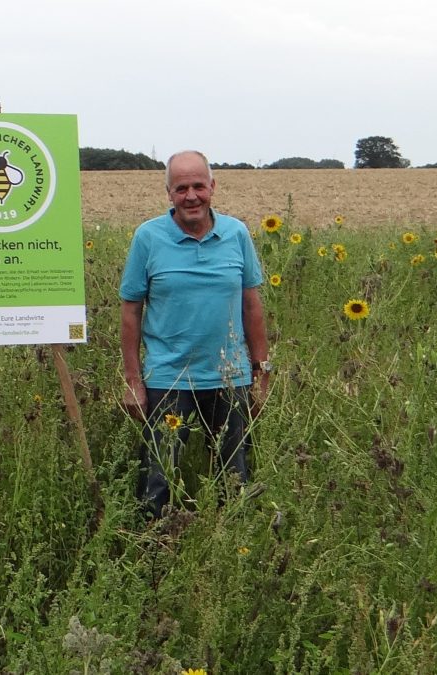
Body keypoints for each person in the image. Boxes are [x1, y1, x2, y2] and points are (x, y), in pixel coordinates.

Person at [119, 150, 270, 518]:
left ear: (213, 187)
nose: (191, 196)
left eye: (198, 186)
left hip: (229, 375)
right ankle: (153, 552)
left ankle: (232, 548)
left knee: (234, 475)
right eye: (181, 187)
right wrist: (132, 381)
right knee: (157, 477)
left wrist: (262, 371)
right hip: (169, 378)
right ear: (168, 193)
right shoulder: (148, 238)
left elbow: (252, 305)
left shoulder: (236, 234)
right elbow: (130, 311)